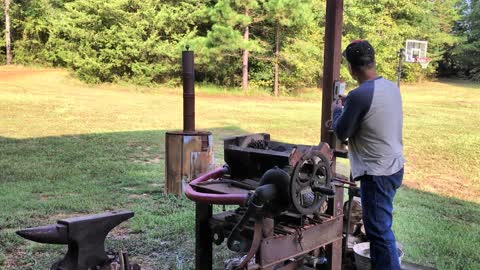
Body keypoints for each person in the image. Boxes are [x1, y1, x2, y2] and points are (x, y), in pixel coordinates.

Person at [332, 40, 405, 270]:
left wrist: (337, 110)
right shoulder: (391, 87)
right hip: (394, 166)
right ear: (372, 62)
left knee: (379, 233)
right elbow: (374, 116)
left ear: (352, 69)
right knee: (381, 227)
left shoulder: (358, 96)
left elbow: (342, 131)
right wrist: (349, 108)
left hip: (377, 173)